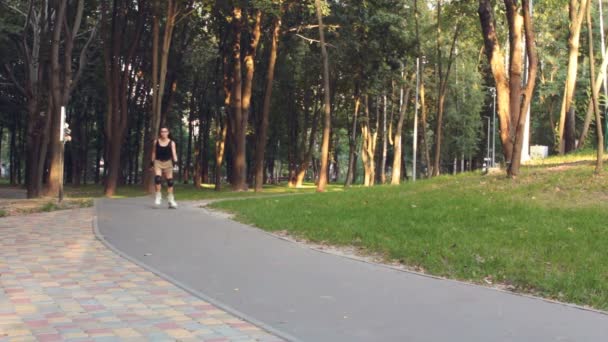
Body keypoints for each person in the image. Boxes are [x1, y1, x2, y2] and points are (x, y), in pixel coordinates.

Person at [151, 127, 178, 208]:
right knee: (157, 179)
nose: (163, 133)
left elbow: (174, 153)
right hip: (158, 162)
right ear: (160, 133)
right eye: (162, 132)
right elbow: (153, 152)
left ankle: (170, 199)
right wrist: (151, 163)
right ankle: (158, 197)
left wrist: (176, 163)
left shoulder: (172, 143)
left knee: (170, 182)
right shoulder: (156, 142)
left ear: (168, 133)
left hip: (168, 162)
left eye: (165, 131)